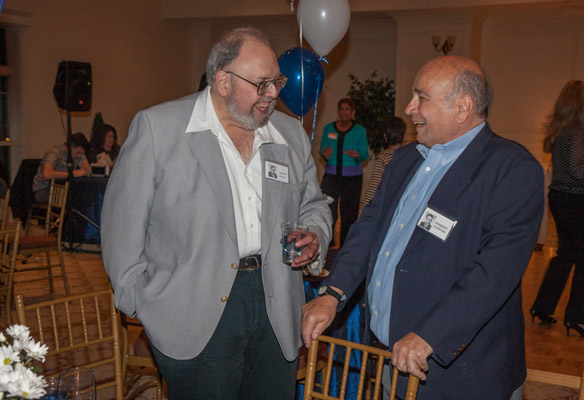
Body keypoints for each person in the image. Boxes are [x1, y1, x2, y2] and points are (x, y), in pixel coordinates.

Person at [101, 27, 332, 400]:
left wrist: (315, 235)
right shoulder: (159, 129)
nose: (274, 94)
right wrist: (146, 306)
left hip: (277, 303)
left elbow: (314, 204)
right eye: (261, 84)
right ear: (223, 81)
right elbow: (121, 232)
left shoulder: (290, 134)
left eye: (277, 82)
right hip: (192, 308)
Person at [302, 56, 544, 400]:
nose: (409, 108)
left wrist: (431, 334)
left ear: (462, 107)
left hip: (461, 375)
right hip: (390, 361)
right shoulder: (405, 159)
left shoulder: (511, 169)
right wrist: (333, 292)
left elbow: (494, 272)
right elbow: (367, 229)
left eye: (421, 97)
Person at [530, 80, 584, 338]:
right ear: (583, 103)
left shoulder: (564, 130)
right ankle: (578, 318)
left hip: (564, 200)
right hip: (578, 202)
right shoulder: (577, 133)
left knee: (566, 254)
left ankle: (542, 307)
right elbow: (581, 170)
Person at [319, 97, 369, 247]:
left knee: (349, 213)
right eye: (341, 109)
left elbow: (365, 154)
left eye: (347, 109)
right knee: (328, 209)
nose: (344, 112)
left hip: (352, 179)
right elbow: (321, 151)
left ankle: (346, 246)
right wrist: (325, 154)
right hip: (331, 177)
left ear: (353, 112)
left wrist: (357, 155)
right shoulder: (329, 128)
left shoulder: (360, 131)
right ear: (338, 112)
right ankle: (327, 243)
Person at [361, 117, 406, 211]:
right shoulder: (409, 157)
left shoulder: (382, 159)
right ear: (404, 137)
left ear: (385, 137)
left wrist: (364, 211)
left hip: (387, 207)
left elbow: (373, 189)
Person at [32, 132, 91, 202]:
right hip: (44, 190)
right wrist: (71, 174)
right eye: (78, 153)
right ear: (71, 146)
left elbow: (87, 171)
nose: (79, 156)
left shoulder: (78, 155)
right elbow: (46, 174)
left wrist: (85, 170)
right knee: (73, 197)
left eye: (81, 154)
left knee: (86, 195)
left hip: (64, 189)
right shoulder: (55, 152)